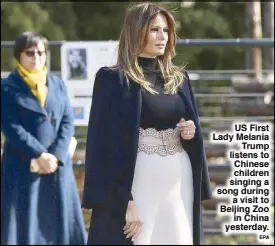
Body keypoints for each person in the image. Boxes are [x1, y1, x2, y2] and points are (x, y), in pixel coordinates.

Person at [82, 2, 212, 245]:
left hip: (178, 183)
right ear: (136, 31)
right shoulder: (112, 80)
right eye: (154, 30)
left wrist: (190, 133)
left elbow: (194, 138)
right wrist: (124, 202)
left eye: (165, 30)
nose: (162, 36)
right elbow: (102, 147)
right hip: (136, 186)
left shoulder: (180, 78)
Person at [1, 31, 86, 245]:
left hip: (57, 167)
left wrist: (55, 156)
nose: (36, 57)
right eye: (30, 52)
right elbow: (11, 127)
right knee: (25, 228)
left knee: (59, 228)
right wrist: (39, 154)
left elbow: (67, 121)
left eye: (41, 52)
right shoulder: (7, 87)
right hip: (23, 166)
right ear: (19, 55)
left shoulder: (57, 84)